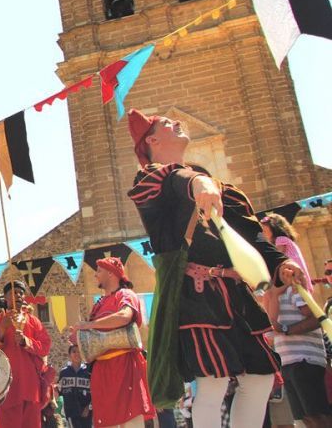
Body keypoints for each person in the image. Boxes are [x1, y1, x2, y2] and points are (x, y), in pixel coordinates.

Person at [125, 109, 306, 427]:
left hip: (237, 296)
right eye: (166, 123)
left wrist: (282, 263)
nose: (176, 122)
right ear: (152, 139)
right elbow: (175, 181)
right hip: (196, 299)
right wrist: (199, 184)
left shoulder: (220, 190)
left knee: (259, 378)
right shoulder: (152, 181)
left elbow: (252, 237)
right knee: (212, 383)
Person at [69, 257, 153, 428]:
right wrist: (78, 336)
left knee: (131, 421)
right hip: (102, 371)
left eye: (99, 271)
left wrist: (89, 324)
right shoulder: (98, 304)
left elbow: (124, 317)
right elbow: (92, 336)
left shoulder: (126, 294)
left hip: (124, 365)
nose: (95, 275)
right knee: (106, 422)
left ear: (111, 273)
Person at [264, 269, 332, 425]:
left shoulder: (294, 291)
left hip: (304, 360)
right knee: (305, 417)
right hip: (288, 362)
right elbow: (271, 333)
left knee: (317, 415)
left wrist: (287, 330)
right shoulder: (276, 295)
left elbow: (315, 317)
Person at [0, 280, 51, 427]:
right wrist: (1, 330)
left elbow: (45, 346)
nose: (18, 295)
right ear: (5, 297)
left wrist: (26, 342)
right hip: (6, 388)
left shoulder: (34, 321)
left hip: (30, 386)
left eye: (20, 293)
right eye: (13, 292)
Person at [261, 213, 315, 292]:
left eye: (265, 230)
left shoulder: (280, 239)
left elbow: (275, 256)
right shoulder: (285, 240)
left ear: (274, 228)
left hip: (294, 275)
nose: (263, 232)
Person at [58, 345, 92, 428]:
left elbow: (95, 392)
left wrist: (89, 407)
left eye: (79, 351)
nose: (77, 354)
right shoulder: (64, 373)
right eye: (74, 351)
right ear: (69, 355)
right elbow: (60, 391)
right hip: (70, 412)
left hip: (86, 413)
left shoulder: (88, 372)